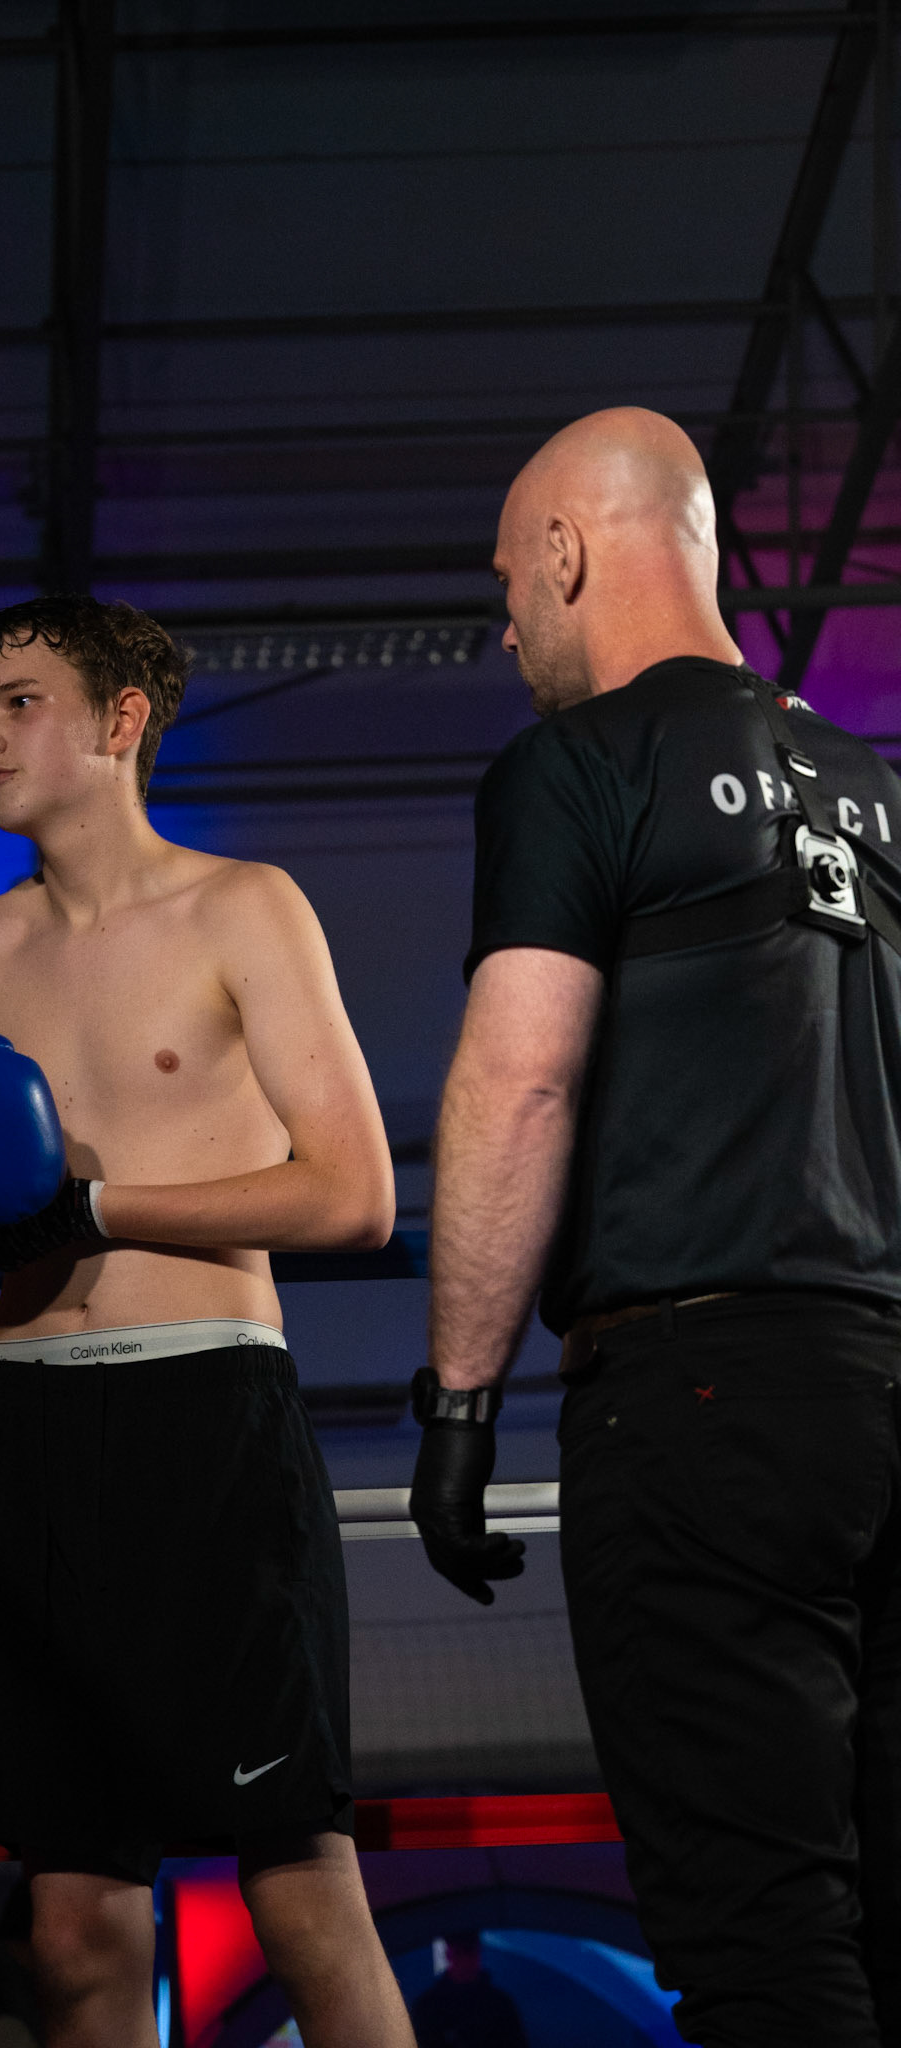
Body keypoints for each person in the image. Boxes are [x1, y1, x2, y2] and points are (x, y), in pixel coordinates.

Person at [0, 594, 413, 2048]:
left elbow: (354, 1194)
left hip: (210, 1410)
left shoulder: (244, 906)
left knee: (304, 1897)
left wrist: (90, 1209)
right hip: (31, 1428)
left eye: (19, 703)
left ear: (122, 720)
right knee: (72, 1930)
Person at [411, 407, 901, 2048]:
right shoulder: (873, 787)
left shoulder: (578, 766)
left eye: (507, 585)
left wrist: (458, 1402)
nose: (507, 631)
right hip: (885, 1375)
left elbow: (520, 1083)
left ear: (565, 551)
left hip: (705, 1397)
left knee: (761, 1934)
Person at [411, 1932, 528, 2048]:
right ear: (448, 1954)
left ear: (479, 1953)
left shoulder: (500, 2005)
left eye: (469, 1952)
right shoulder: (428, 2007)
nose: (465, 1961)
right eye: (459, 1953)